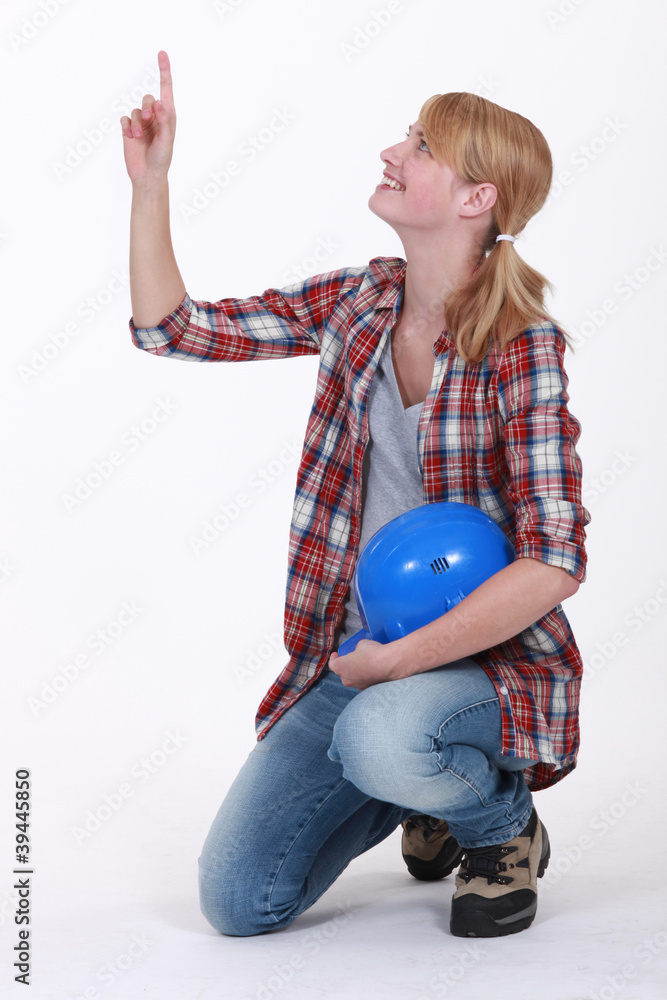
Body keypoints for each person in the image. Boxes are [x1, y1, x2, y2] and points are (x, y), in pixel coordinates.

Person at [121, 50, 590, 939]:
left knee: (381, 738)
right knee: (239, 903)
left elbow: (554, 559)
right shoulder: (359, 301)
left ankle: (495, 823)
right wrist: (152, 184)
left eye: (420, 144)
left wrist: (397, 669)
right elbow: (172, 330)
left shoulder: (522, 347)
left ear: (475, 198)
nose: (393, 150)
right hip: (356, 651)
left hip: (481, 662)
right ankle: (415, 776)